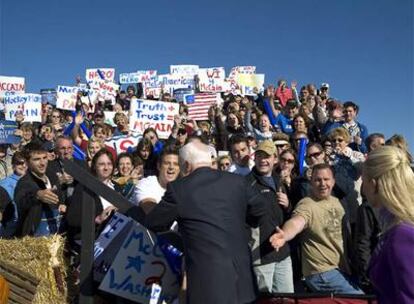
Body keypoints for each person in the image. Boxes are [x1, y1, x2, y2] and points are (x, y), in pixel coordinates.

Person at [125, 141, 274, 304]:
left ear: (187, 165)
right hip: (244, 281)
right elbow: (262, 210)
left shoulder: (179, 189)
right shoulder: (237, 181)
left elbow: (154, 222)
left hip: (207, 285)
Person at [270, 164, 363, 294]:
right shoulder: (306, 204)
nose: (322, 184)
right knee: (360, 299)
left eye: (326, 179)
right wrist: (284, 235)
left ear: (333, 181)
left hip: (342, 269)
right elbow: (297, 222)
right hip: (321, 273)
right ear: (311, 182)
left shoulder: (337, 202)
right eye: (318, 180)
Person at [362, 146, 414, 303]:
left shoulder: (401, 234)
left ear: (374, 184)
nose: (362, 189)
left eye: (363, 180)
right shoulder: (395, 226)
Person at [246, 140, 294, 293]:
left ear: (275, 159)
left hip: (282, 252)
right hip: (261, 254)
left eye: (267, 156)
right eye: (259, 156)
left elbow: (287, 215)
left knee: (287, 299)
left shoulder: (279, 180)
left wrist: (288, 205)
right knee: (265, 300)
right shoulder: (247, 183)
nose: (263, 160)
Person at [14, 142, 65, 237]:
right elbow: (21, 199)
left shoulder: (52, 176)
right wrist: (37, 195)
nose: (42, 163)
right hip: (35, 238)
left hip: (55, 235)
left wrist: (62, 205)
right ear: (27, 162)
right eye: (37, 159)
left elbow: (60, 199)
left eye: (44, 158)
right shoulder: (24, 182)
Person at [132, 146, 180, 213]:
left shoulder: (183, 189)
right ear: (158, 166)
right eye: (167, 163)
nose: (171, 167)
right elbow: (155, 214)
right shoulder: (146, 184)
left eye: (176, 164)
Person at [0, 152, 28, 237]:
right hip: (11, 226)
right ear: (13, 165)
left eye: (26, 163)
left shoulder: (33, 181)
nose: (23, 165)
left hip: (28, 225)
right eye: (19, 163)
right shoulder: (4, 183)